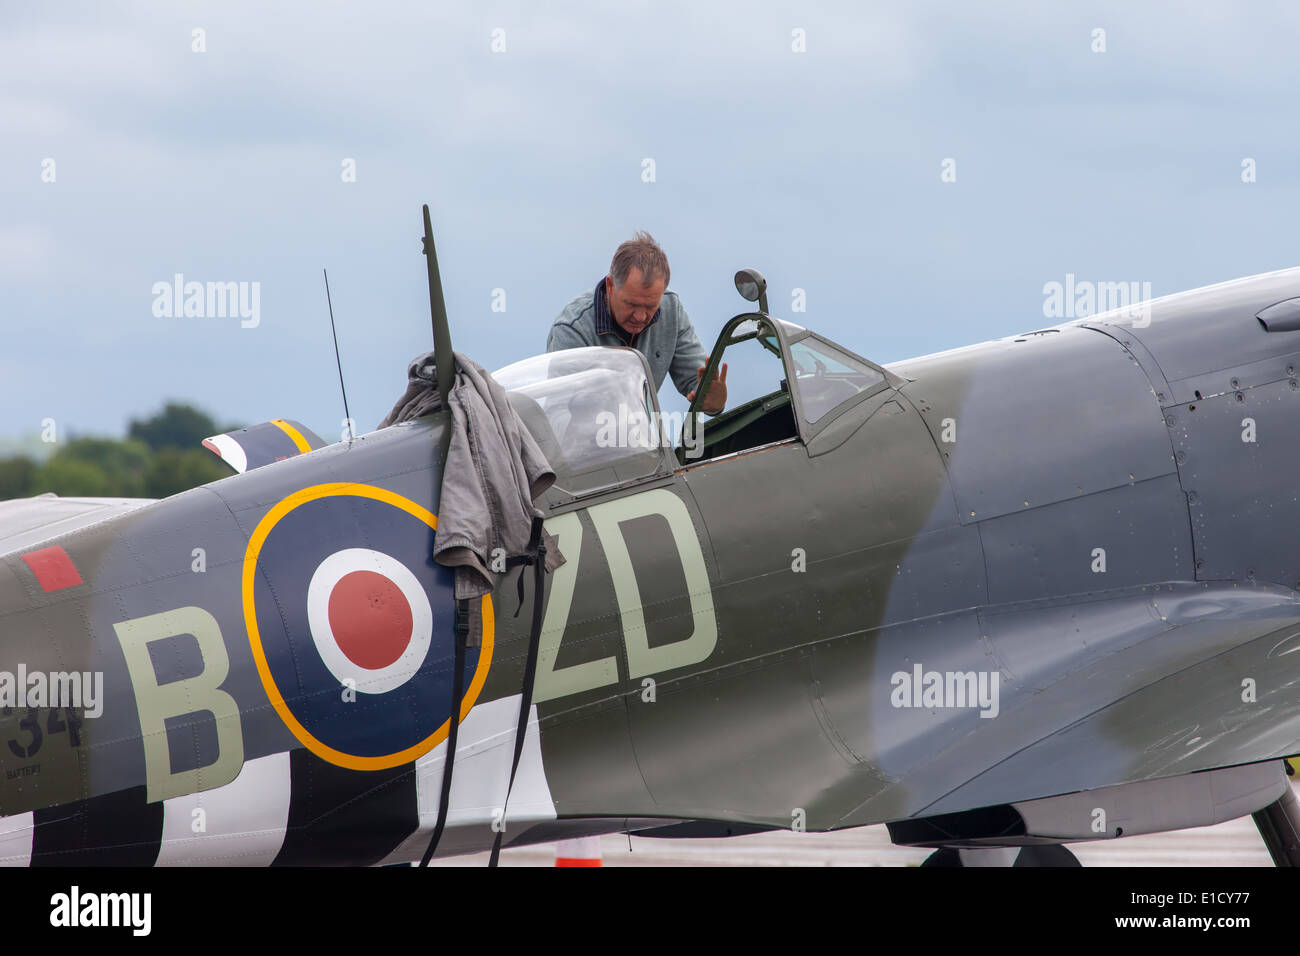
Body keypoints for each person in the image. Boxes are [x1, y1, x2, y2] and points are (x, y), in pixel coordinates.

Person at [547, 231, 727, 414]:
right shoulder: (572, 330)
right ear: (610, 286)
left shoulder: (672, 310)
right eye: (631, 304)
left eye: (651, 306)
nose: (640, 316)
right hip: (583, 438)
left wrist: (712, 401)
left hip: (642, 436)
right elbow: (558, 414)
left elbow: (698, 382)